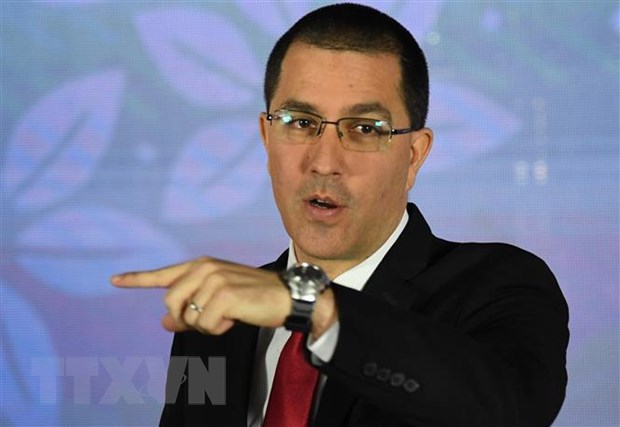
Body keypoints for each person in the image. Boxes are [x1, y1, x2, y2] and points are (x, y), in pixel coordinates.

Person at [111, 3, 569, 426]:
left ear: (414, 155)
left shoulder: (498, 285)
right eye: (300, 123)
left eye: (365, 129)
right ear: (266, 138)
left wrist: (308, 306)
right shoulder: (217, 320)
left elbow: (512, 407)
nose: (324, 161)